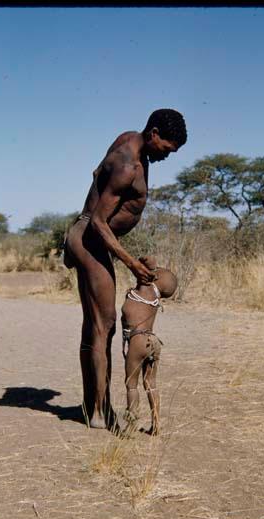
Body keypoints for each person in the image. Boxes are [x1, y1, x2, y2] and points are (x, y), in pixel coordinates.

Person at [64, 109, 187, 429]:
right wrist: (130, 262)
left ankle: (91, 405)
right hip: (93, 240)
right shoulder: (127, 165)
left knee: (94, 325)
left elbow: (95, 174)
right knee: (104, 325)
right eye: (166, 149)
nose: (166, 156)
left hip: (89, 237)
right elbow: (100, 222)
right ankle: (100, 410)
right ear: (155, 133)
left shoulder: (130, 139)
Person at [121, 256, 177, 435]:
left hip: (137, 342)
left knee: (131, 385)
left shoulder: (146, 288)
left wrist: (144, 261)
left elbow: (148, 263)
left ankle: (130, 427)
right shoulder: (153, 296)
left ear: (154, 278)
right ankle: (156, 424)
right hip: (152, 342)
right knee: (150, 383)